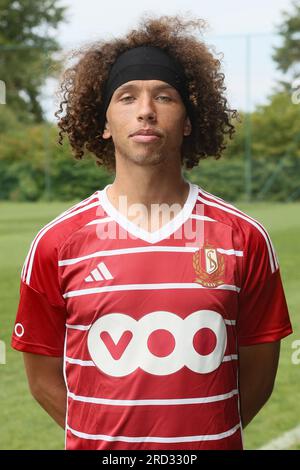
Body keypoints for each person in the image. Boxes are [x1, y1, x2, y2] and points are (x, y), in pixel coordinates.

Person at [11, 15, 292, 450]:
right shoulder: (58, 243)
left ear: (187, 121)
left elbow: (257, 376)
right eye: (127, 97)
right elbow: (42, 377)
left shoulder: (243, 237)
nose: (146, 109)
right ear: (103, 123)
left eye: (164, 96)